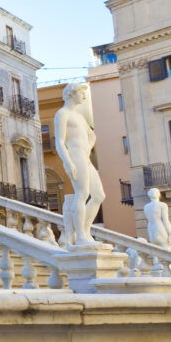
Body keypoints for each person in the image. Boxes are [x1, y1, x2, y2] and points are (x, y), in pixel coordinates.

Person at [54, 82, 104, 248]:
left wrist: (88, 149)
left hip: (85, 157)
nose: (83, 95)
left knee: (98, 196)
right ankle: (81, 235)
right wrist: (67, 161)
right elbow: (60, 142)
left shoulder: (80, 117)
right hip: (75, 157)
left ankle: (85, 230)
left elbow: (92, 136)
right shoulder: (62, 114)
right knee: (82, 194)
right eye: (81, 92)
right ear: (72, 93)